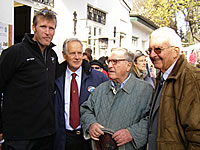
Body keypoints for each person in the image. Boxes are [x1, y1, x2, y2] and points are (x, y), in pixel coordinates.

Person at [0, 7, 58, 150]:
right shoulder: (14, 53)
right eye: (43, 27)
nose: (47, 32)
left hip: (46, 135)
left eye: (51, 28)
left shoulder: (53, 56)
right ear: (33, 27)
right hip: (19, 136)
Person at [80, 48, 154, 150]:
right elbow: (86, 110)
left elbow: (152, 120)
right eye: (109, 61)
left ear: (128, 66)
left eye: (115, 61)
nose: (110, 65)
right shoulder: (100, 89)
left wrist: (132, 133)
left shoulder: (145, 90)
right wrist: (91, 124)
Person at [146, 27, 200, 150]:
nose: (152, 55)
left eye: (158, 50)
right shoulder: (163, 77)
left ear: (175, 51)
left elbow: (196, 135)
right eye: (150, 50)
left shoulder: (191, 79)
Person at [54, 38, 109, 150]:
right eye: (72, 53)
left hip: (88, 139)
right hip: (62, 139)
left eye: (79, 53)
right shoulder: (55, 77)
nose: (77, 57)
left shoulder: (99, 78)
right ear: (64, 55)